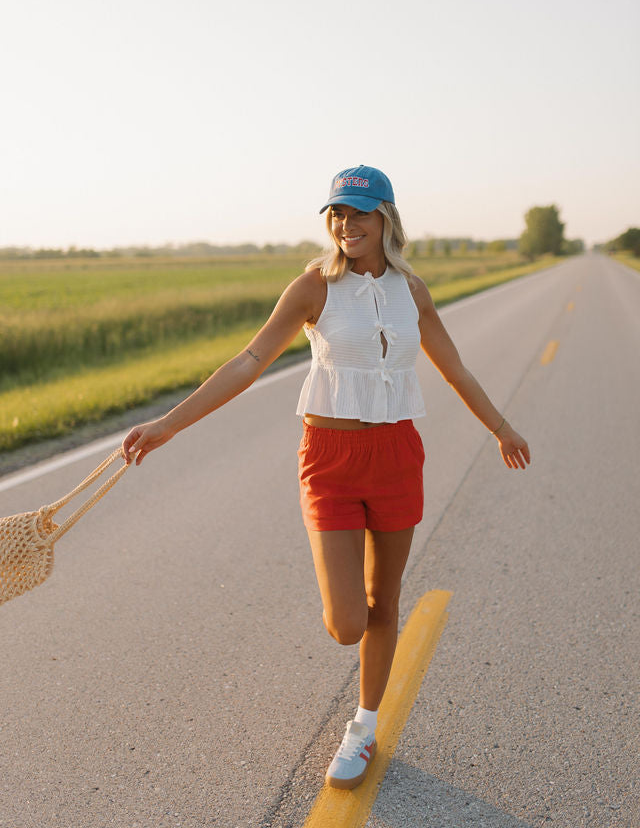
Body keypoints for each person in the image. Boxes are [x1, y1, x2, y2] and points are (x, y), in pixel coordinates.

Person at [122, 165, 530, 790]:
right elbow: (249, 361)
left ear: (386, 219)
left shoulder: (411, 291)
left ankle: (362, 729)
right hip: (330, 459)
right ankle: (364, 687)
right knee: (346, 621)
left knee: (384, 600)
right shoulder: (314, 286)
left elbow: (455, 369)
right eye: (337, 213)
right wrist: (168, 425)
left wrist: (501, 427)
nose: (346, 225)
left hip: (397, 453)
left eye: (360, 213)